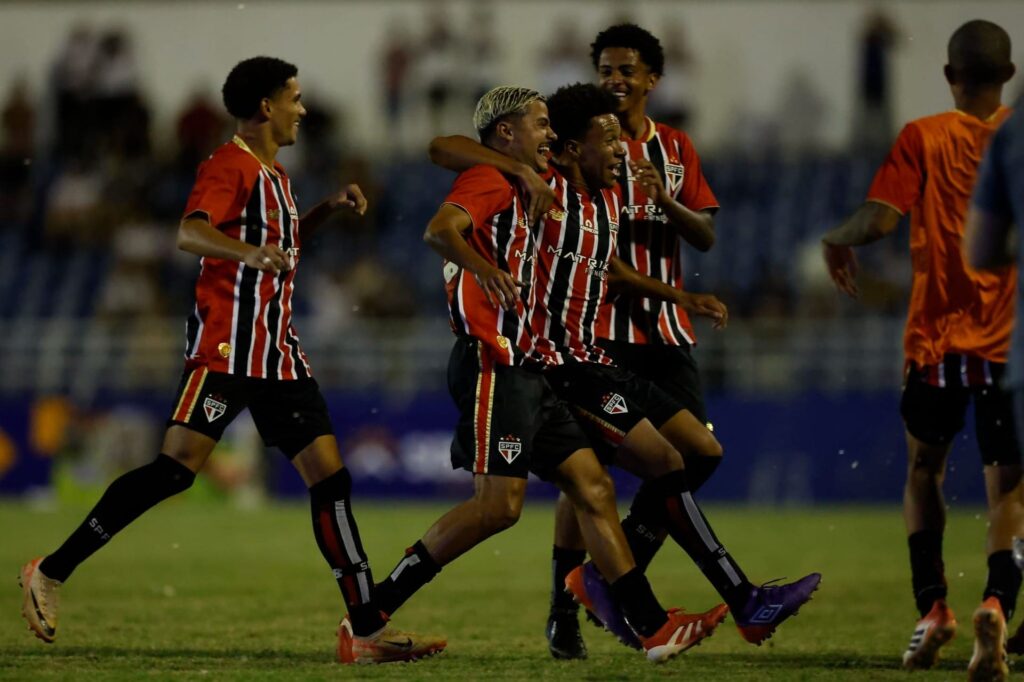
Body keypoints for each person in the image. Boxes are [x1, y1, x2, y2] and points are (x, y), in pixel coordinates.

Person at [18, 56, 445, 665]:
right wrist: (247, 252)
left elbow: (281, 247)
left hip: (278, 356)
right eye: (294, 97)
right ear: (267, 107)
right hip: (227, 351)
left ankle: (365, 628)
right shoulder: (229, 165)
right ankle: (50, 571)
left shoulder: (276, 176)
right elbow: (190, 232)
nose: (302, 109)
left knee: (331, 481)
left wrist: (325, 210)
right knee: (174, 472)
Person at [428, 83, 821, 660]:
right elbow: (443, 148)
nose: (621, 150)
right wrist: (523, 170)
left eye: (620, 138)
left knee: (693, 454)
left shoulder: (608, 198)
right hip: (558, 362)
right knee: (612, 480)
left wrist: (679, 297)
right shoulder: (545, 186)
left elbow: (608, 268)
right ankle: (729, 599)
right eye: (608, 139)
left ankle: (604, 582)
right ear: (567, 148)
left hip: (596, 357)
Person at [368, 85, 730, 665]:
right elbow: (438, 217)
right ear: (507, 132)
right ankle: (368, 616)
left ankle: (653, 627)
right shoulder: (496, 178)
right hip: (497, 359)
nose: (549, 135)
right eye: (540, 124)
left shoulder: (545, 185)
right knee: (498, 508)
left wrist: (677, 296)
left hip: (531, 363)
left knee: (594, 487)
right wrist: (485, 268)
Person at [821, 21, 1020, 679]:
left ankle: (933, 608)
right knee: (1008, 490)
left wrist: (836, 237)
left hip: (935, 343)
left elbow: (879, 219)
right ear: (1008, 75)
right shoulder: (1019, 139)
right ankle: (997, 602)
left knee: (923, 473)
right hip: (1007, 344)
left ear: (948, 75)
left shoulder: (922, 137)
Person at [967, 101, 1024, 661]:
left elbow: (980, 249)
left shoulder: (1011, 134)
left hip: (1001, 349)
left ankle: (997, 604)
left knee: (1008, 491)